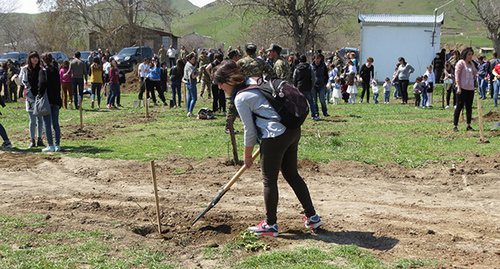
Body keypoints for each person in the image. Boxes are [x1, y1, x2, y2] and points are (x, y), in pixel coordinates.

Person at [213, 59, 322, 237]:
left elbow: (249, 131)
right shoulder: (255, 80)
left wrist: (246, 156)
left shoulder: (241, 97)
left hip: (275, 135)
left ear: (230, 80)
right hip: (292, 130)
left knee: (269, 180)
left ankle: (270, 225)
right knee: (292, 175)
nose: (219, 87)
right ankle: (313, 217)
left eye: (221, 83)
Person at [39, 53, 62, 152]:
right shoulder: (56, 71)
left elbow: (42, 84)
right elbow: (58, 85)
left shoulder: (43, 71)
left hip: (47, 100)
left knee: (47, 123)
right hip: (56, 99)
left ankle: (50, 145)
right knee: (55, 123)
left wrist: (39, 94)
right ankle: (57, 145)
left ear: (43, 61)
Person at [21, 52, 45, 149]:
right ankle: (32, 140)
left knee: (40, 119)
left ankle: (39, 139)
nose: (35, 59)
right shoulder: (25, 69)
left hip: (39, 97)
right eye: (33, 58)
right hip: (30, 97)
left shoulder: (41, 69)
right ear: (29, 59)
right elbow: (22, 81)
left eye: (36, 57)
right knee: (32, 120)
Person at [453, 47, 478, 132]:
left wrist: (472, 63)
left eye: (471, 54)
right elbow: (457, 75)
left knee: (469, 107)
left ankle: (468, 125)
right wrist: (458, 87)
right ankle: (455, 125)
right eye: (469, 54)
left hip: (470, 88)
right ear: (465, 54)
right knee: (459, 106)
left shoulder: (471, 64)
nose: (470, 56)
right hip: (462, 88)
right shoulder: (461, 63)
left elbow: (475, 72)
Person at [310, 53, 329, 120]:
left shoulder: (323, 65)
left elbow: (326, 74)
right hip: (314, 85)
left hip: (321, 85)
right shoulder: (311, 66)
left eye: (318, 58)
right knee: (314, 100)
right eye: (316, 58)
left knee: (322, 99)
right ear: (314, 59)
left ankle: (325, 112)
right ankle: (316, 113)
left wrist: (325, 83)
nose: (317, 60)